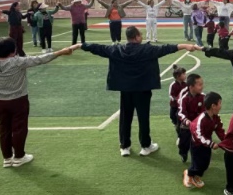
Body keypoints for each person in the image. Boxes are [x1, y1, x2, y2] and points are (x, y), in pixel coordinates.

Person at [0, 37, 79, 167]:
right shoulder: (18, 62)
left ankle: (7, 158)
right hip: (18, 101)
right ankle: (19, 157)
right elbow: (41, 59)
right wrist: (61, 52)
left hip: (0, 102)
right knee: (19, 128)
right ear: (13, 51)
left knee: (3, 129)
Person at [82, 26, 200, 157]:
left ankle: (124, 146)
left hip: (126, 90)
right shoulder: (147, 49)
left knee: (125, 118)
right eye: (140, 34)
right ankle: (145, 146)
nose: (142, 36)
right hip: (143, 90)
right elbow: (166, 48)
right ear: (136, 37)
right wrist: (184, 46)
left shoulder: (117, 49)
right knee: (143, 118)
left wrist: (80, 45)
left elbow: (98, 48)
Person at [183, 92, 224, 188]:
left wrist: (226, 140)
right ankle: (188, 174)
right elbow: (198, 135)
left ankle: (196, 176)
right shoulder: (201, 119)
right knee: (197, 163)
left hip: (206, 143)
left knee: (205, 163)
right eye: (220, 103)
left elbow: (220, 130)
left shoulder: (216, 117)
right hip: (197, 145)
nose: (221, 106)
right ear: (213, 106)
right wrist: (211, 144)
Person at [177, 74, 205, 162]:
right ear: (191, 87)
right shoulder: (184, 99)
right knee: (184, 142)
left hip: (199, 124)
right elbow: (181, 112)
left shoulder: (203, 97)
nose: (202, 86)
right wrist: (186, 120)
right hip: (187, 125)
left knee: (200, 142)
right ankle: (183, 153)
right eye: (199, 85)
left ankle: (199, 156)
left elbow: (205, 111)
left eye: (202, 84)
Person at [168, 66, 188, 137]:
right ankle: (176, 123)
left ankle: (180, 133)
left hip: (182, 106)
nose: (185, 75)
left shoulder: (186, 85)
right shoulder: (173, 85)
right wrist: (177, 99)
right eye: (184, 74)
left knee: (179, 117)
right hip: (174, 105)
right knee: (172, 116)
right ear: (178, 76)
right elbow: (171, 95)